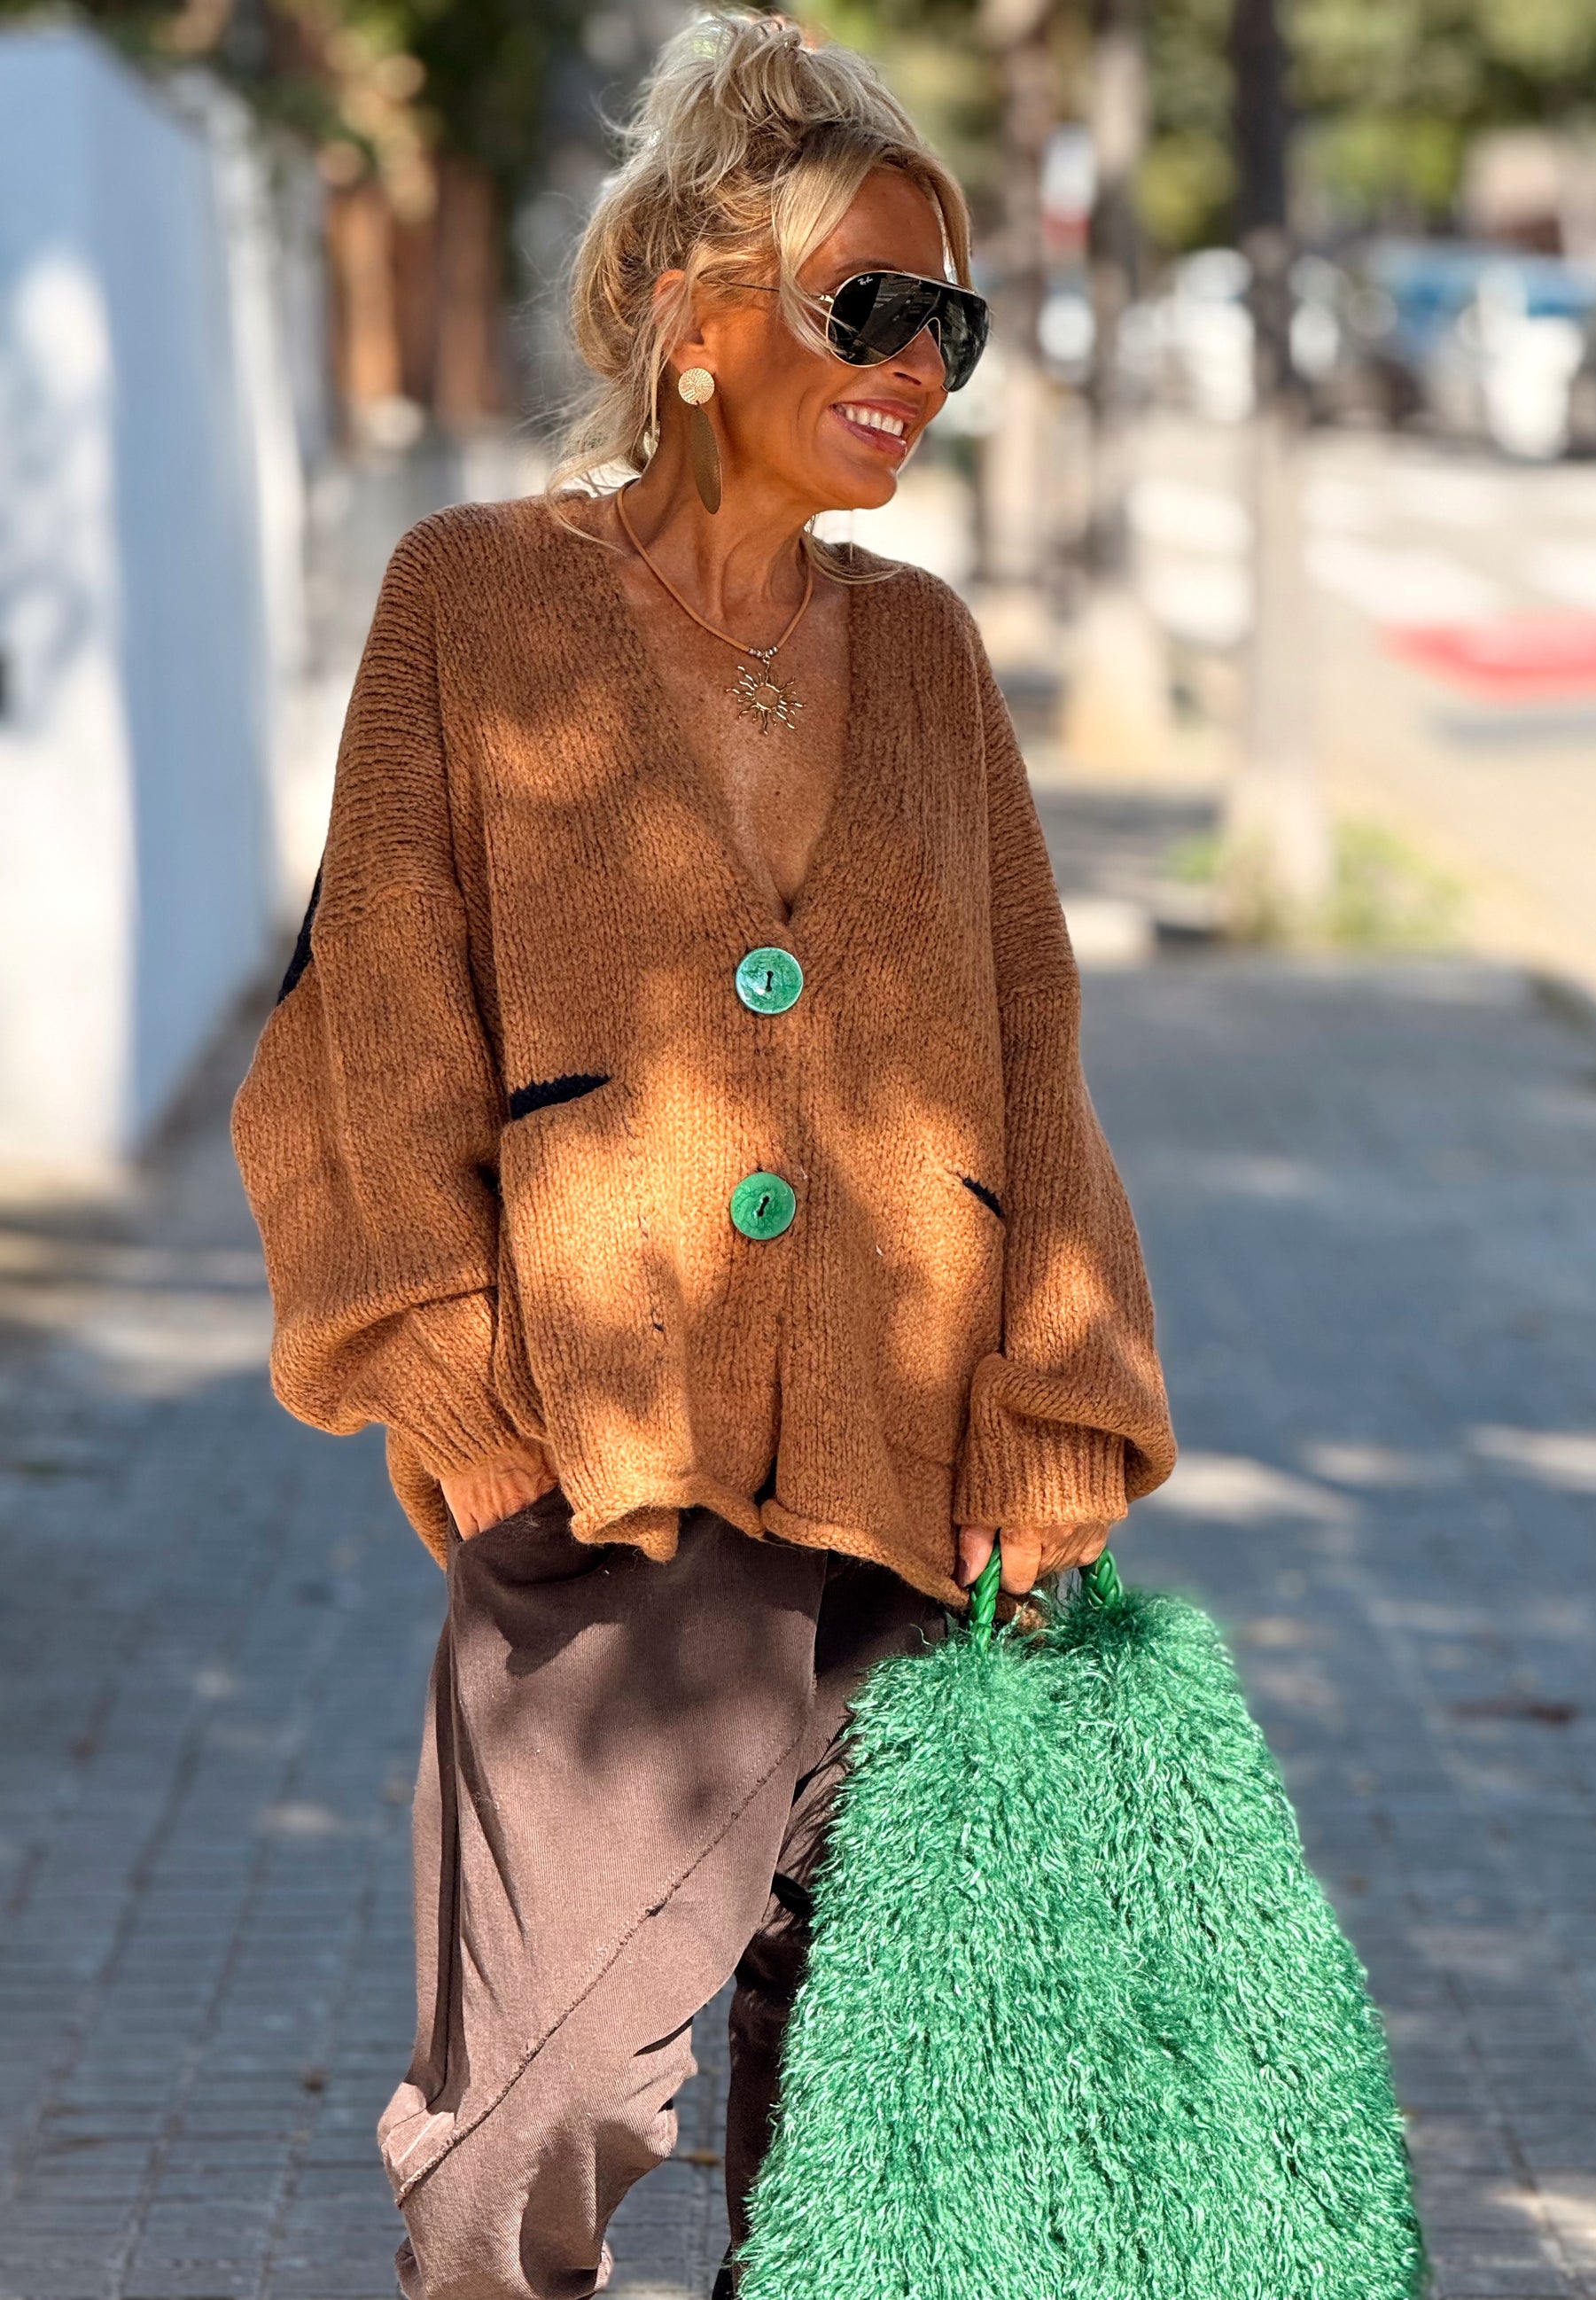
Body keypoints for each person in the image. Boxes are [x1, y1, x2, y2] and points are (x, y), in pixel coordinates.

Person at [232, 13, 1176, 2297]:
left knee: (880, 2173)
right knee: (543, 2113)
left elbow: (1029, 1056)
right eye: (876, 308)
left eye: (952, 324)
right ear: (692, 312)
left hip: (916, 1492)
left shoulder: (930, 658)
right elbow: (369, 1020)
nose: (921, 367)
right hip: (606, 1483)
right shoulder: (474, 604)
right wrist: (458, 1389)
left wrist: (1059, 1416)